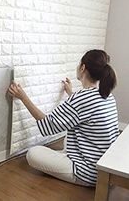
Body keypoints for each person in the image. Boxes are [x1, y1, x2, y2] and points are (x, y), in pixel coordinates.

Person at [8, 49, 120, 187]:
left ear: (83, 68)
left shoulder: (81, 98)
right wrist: (70, 94)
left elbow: (48, 125)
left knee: (33, 153)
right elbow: (83, 112)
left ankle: (68, 162)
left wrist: (23, 96)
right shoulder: (106, 95)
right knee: (70, 133)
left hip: (88, 172)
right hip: (104, 169)